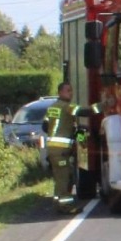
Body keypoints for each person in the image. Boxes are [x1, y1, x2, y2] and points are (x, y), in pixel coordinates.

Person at [44, 81, 79, 210]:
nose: (71, 93)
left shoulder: (52, 107)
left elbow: (44, 126)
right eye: (68, 90)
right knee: (65, 179)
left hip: (52, 150)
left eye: (71, 90)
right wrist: (103, 105)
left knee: (59, 178)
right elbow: (85, 111)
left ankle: (57, 203)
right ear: (60, 92)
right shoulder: (67, 107)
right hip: (61, 151)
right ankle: (66, 207)